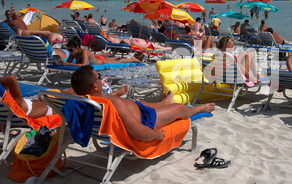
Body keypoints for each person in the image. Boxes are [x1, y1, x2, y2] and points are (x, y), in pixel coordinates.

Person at [70, 65, 215, 142]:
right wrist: (156, 134)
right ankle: (198, 109)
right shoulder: (112, 102)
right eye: (99, 77)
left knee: (142, 103)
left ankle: (165, 102)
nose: (101, 80)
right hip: (146, 120)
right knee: (179, 108)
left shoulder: (83, 102)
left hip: (140, 110)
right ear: (95, 86)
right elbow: (139, 132)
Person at [0, 74, 129, 119]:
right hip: (53, 106)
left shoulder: (13, 104)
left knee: (74, 92)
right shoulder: (17, 106)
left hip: (48, 101)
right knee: (87, 98)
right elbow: (11, 78)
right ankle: (115, 93)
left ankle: (94, 86)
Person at [58, 37, 140, 66]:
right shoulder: (73, 53)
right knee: (114, 59)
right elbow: (67, 63)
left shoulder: (84, 52)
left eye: (71, 49)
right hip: (95, 57)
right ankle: (109, 55)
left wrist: (67, 63)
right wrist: (60, 63)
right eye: (68, 50)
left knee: (118, 61)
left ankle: (132, 59)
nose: (70, 51)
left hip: (100, 61)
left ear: (77, 47)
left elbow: (83, 65)